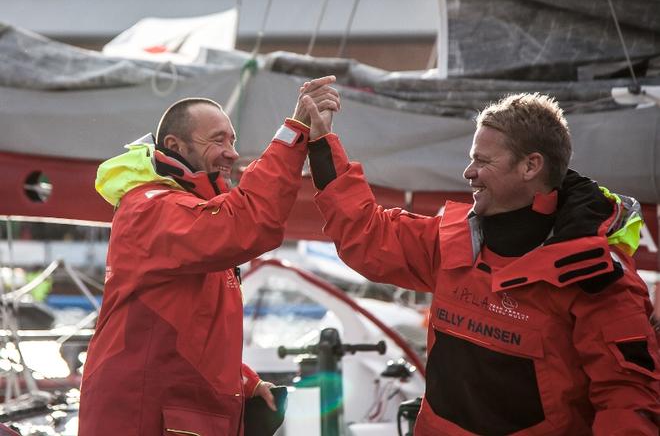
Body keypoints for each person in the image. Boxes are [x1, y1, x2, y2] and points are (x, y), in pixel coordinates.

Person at [300, 91, 660, 435]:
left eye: (483, 161)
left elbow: (629, 399)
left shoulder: (595, 276)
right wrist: (321, 143)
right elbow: (367, 234)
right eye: (472, 159)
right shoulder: (450, 242)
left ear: (531, 165)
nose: (468, 172)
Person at [78, 76, 340, 435]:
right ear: (175, 145)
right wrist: (293, 133)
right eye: (218, 139)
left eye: (232, 140)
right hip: (145, 418)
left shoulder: (188, 212)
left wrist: (243, 382)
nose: (232, 152)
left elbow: (189, 329)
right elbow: (247, 223)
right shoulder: (152, 209)